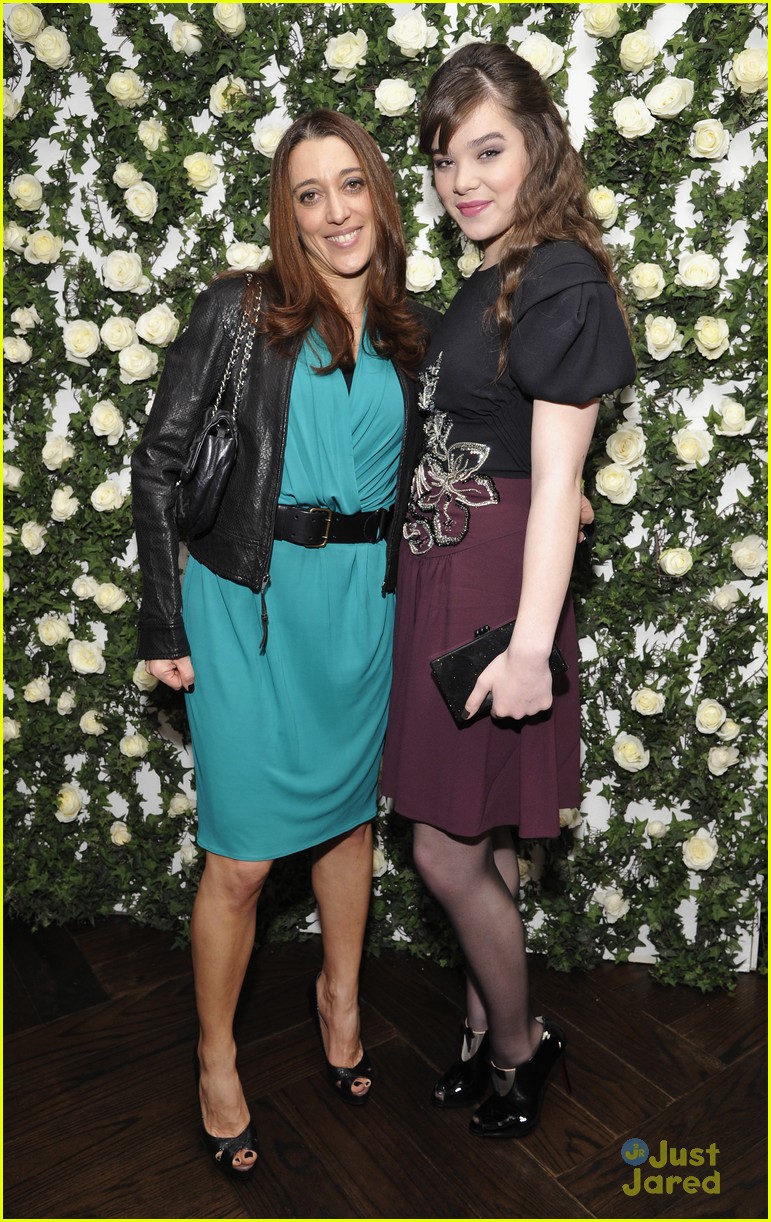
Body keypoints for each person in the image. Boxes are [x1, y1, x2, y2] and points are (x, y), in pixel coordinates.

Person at [131, 109, 436, 1176]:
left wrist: (558, 504)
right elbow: (159, 463)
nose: (334, 210)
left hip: (363, 606)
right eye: (308, 193)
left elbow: (464, 464)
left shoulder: (415, 328)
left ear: (380, 194)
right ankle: (216, 1056)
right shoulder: (240, 310)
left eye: (350, 184)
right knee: (245, 860)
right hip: (247, 599)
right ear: (287, 212)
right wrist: (163, 620)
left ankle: (339, 995)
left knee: (350, 827)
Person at [381, 42, 636, 1140]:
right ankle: (488, 1031)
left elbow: (559, 478)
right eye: (444, 161)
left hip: (497, 596)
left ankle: (524, 1047)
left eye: (487, 149)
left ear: (541, 144)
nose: (462, 180)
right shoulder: (493, 273)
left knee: (442, 846)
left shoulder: (563, 276)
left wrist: (530, 646)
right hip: (451, 578)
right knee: (474, 838)